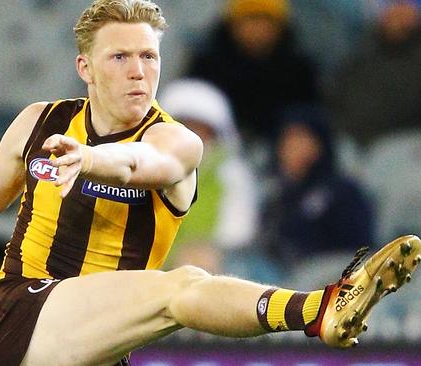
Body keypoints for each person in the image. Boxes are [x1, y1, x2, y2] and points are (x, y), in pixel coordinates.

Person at [0, 1, 418, 365]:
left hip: (98, 349)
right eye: (120, 56)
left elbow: (149, 166)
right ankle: (315, 309)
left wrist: (93, 162)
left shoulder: (177, 139)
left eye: (150, 57)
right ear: (85, 66)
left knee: (173, 292)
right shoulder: (40, 123)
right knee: (181, 290)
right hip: (21, 318)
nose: (139, 71)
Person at [258, 104, 376, 280]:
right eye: (288, 139)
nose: (292, 147)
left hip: (330, 278)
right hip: (280, 276)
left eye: (301, 139)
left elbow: (359, 247)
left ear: (319, 144)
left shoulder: (342, 191)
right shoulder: (275, 194)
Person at [158, 79, 258, 274]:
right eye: (183, 125)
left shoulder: (230, 173)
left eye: (200, 128)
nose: (191, 133)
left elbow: (238, 232)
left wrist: (196, 251)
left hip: (208, 267)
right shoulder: (144, 164)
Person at [185, 0, 319, 144]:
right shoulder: (207, 64)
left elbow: (308, 119)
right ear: (233, 24)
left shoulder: (298, 70)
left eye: (265, 21)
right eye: (250, 19)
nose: (257, 29)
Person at [324, 0, 421, 146]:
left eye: (405, 7)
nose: (397, 13)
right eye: (391, 6)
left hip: (405, 143)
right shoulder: (361, 52)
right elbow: (334, 95)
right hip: (353, 140)